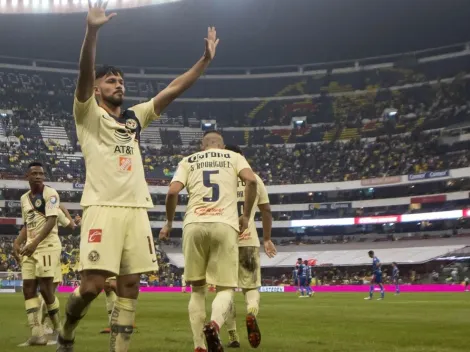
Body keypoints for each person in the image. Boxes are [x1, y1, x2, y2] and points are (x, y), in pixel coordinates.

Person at [57, 2, 220, 351]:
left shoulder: (134, 118)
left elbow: (172, 90)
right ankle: (66, 330)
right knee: (91, 287)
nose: (118, 84)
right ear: (98, 89)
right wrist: (92, 31)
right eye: (110, 80)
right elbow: (84, 74)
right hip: (102, 205)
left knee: (130, 286)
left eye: (121, 81)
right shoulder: (86, 114)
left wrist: (204, 62)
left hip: (136, 210)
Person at [159, 131, 258, 352]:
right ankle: (214, 324)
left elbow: (172, 191)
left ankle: (199, 346)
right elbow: (251, 180)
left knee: (197, 289)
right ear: (221, 146)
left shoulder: (188, 160)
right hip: (224, 224)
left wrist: (168, 222)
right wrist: (246, 216)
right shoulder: (233, 157)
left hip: (194, 224)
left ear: (202, 146)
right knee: (225, 288)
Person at [223, 144, 277, 349]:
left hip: (225, 241)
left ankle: (233, 336)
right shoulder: (254, 179)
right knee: (251, 287)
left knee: (225, 290)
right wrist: (267, 238)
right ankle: (251, 313)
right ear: (242, 157)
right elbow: (267, 210)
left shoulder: (221, 179)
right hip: (249, 240)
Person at [14, 206, 81, 336]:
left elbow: (26, 227)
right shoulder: (54, 208)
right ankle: (48, 326)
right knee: (47, 291)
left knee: (43, 291)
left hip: (41, 250)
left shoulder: (37, 208)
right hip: (48, 251)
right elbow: (72, 226)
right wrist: (65, 209)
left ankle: (43, 325)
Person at [18, 162, 62, 346]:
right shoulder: (24, 198)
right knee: (28, 289)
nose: (38, 176)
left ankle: (60, 330)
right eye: (34, 173)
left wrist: (34, 243)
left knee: (45, 289)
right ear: (27, 176)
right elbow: (28, 224)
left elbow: (52, 220)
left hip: (47, 245)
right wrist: (18, 241)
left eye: (41, 174)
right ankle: (37, 334)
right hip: (30, 246)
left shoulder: (50, 194)